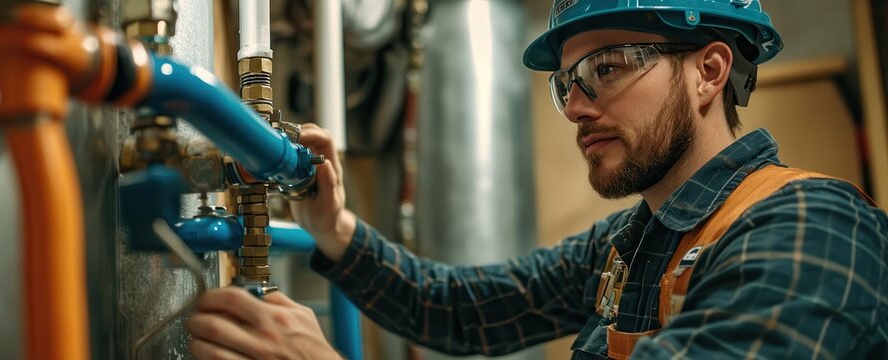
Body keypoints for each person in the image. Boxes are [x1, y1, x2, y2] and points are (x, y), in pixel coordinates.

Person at [185, 1, 888, 359]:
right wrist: (333, 230)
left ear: (708, 72)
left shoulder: (813, 229)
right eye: (568, 84)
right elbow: (464, 308)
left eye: (607, 68)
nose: (576, 106)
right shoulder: (629, 244)